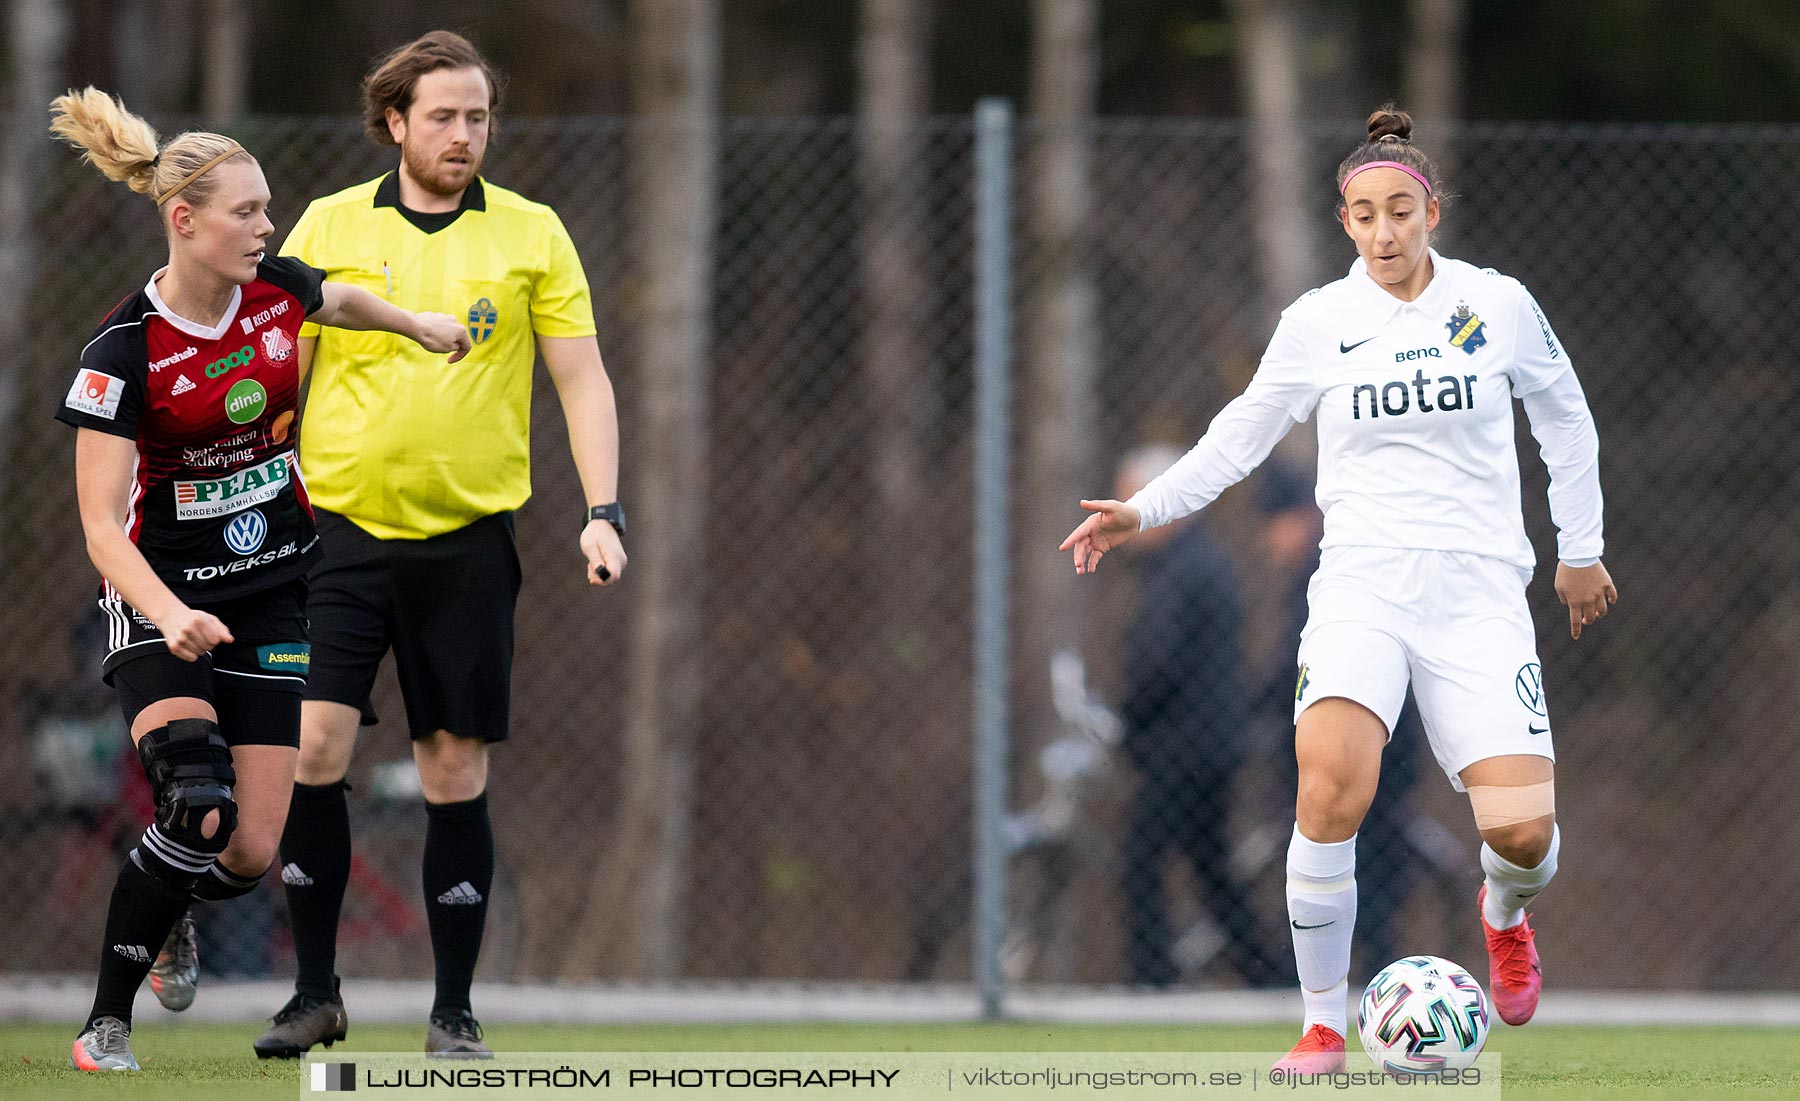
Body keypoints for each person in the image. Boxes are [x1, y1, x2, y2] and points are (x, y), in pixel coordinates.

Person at [1060, 106, 1616, 1073]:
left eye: (1401, 210)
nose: (1385, 231)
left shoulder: (1498, 306)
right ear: (1345, 223)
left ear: (1432, 210)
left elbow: (1565, 420)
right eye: (1364, 216)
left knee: (1524, 834)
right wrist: (1141, 510)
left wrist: (1582, 548)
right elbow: (1240, 436)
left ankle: (1502, 913)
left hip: (1479, 593)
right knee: (1327, 787)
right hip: (1360, 588)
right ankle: (1323, 1023)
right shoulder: (1319, 323)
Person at [48, 87, 469, 1073]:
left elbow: (342, 298)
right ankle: (105, 1023)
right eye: (247, 212)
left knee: (246, 848)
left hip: (275, 591)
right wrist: (167, 612)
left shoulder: (275, 291)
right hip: (160, 600)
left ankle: (176, 898)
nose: (266, 226)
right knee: (196, 800)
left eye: (268, 209)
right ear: (184, 222)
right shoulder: (122, 354)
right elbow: (101, 528)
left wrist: (414, 322)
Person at [254, 31, 626, 1060]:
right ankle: (315, 993)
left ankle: (453, 1012)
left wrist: (605, 511)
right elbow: (279, 379)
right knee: (314, 747)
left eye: (477, 118)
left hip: (467, 544)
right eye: (443, 118)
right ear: (395, 124)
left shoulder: (532, 234)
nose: (464, 136)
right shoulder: (329, 225)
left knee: (451, 768)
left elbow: (582, 380)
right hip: (334, 539)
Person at [1113, 445, 1287, 988]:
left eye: (1130, 499)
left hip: (1183, 750)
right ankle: (1270, 977)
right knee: (1212, 870)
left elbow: (1158, 663)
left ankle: (1151, 981)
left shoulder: (1182, 570)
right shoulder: (1192, 563)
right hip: (1202, 746)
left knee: (1142, 860)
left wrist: (1126, 718)